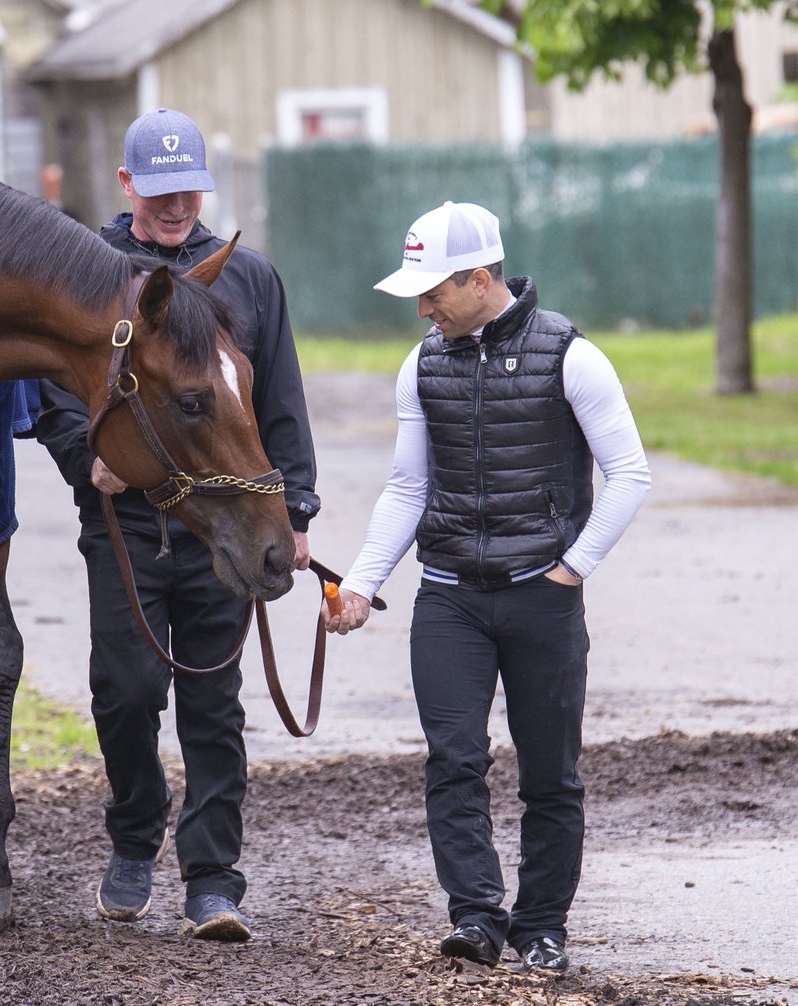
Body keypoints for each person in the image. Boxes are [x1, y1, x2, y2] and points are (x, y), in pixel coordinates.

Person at [325, 201, 651, 972]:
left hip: (542, 594)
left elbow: (630, 474)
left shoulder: (572, 355)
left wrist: (572, 567)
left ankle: (542, 927)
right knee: (454, 759)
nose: (422, 305)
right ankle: (476, 917)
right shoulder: (422, 362)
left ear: (479, 279)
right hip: (449, 597)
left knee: (550, 772)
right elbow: (407, 487)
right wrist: (364, 586)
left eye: (433, 289)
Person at [35, 108, 320, 942]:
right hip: (125, 524)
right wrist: (81, 456)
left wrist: (294, 510)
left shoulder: (248, 279)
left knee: (213, 699)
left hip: (219, 523)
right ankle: (133, 836)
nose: (174, 206)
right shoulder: (86, 271)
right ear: (127, 186)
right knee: (124, 693)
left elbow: (279, 404)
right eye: (158, 191)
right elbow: (51, 386)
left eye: (187, 189)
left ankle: (211, 878)